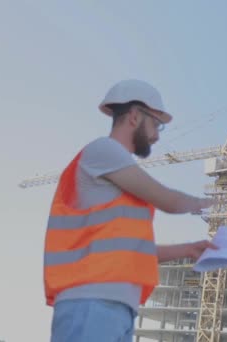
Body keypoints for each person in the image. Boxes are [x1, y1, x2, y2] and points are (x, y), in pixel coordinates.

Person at [44, 79, 217, 342]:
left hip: (112, 305)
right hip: (91, 301)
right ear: (135, 116)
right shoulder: (104, 150)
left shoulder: (115, 175)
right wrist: (210, 202)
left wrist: (187, 249)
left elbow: (127, 251)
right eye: (157, 124)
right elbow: (169, 200)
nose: (157, 136)